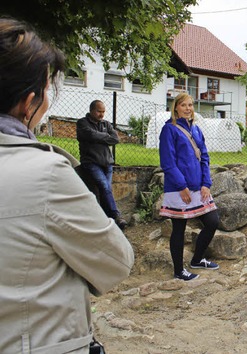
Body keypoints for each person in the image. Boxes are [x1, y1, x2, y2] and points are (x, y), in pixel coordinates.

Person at [0, 17, 134, 353]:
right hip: (37, 343)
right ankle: (115, 218)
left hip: (104, 162)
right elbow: (116, 263)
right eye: (47, 90)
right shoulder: (44, 173)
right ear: (29, 102)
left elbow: (113, 138)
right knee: (103, 192)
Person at [159, 92, 220, 281]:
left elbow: (204, 157)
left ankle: (197, 259)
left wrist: (206, 183)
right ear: (176, 107)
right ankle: (179, 271)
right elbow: (168, 162)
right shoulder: (169, 130)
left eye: (191, 105)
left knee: (212, 221)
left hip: (198, 186)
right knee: (179, 229)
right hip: (180, 188)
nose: (188, 109)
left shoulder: (196, 130)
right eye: (184, 105)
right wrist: (182, 186)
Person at [77, 99, 128, 229]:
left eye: (103, 111)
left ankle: (105, 219)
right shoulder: (82, 123)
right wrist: (105, 137)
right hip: (91, 162)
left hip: (107, 164)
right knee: (104, 187)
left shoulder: (106, 124)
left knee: (105, 190)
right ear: (92, 110)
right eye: (99, 111)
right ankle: (117, 216)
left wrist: (98, 137)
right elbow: (89, 135)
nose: (102, 114)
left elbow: (115, 139)